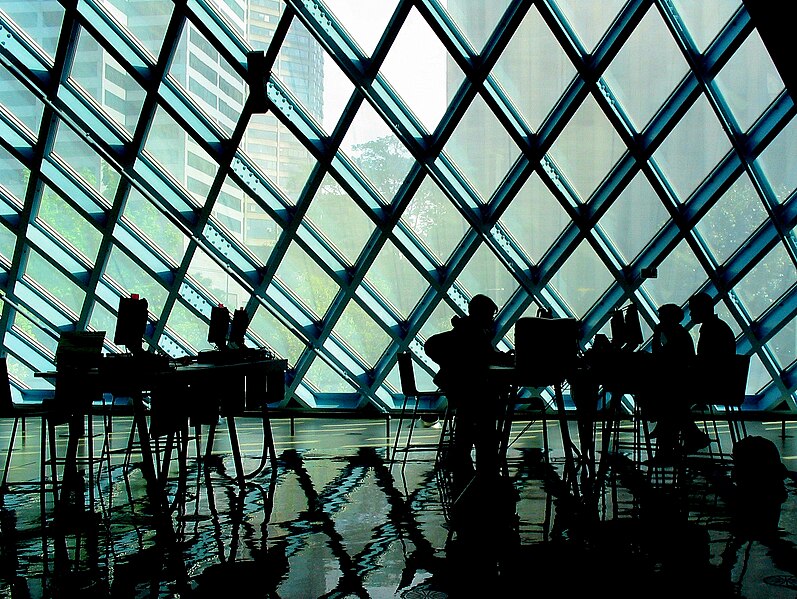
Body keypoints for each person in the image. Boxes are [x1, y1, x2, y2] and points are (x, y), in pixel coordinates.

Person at [424, 294, 511, 490]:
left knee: (470, 412)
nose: (492, 320)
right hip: (469, 391)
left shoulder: (465, 331)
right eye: (490, 315)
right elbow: (489, 356)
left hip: (459, 389)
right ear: (483, 314)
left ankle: (467, 456)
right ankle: (486, 458)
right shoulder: (475, 334)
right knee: (485, 407)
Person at [647, 303, 708, 460]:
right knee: (674, 405)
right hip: (684, 382)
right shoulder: (680, 334)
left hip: (680, 384)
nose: (660, 321)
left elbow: (661, 357)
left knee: (669, 401)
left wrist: (656, 336)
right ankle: (688, 436)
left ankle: (667, 442)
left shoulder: (675, 335)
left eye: (662, 317)